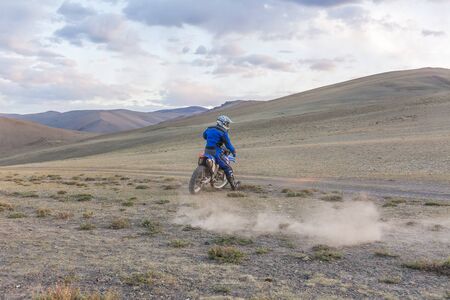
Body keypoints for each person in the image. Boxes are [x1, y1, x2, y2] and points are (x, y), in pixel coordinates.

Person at [203, 115, 240, 190]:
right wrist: (234, 152)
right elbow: (228, 145)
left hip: (207, 150)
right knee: (227, 167)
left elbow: (204, 136)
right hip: (215, 152)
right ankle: (234, 186)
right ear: (223, 123)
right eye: (227, 123)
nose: (228, 125)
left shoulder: (208, 128)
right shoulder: (223, 132)